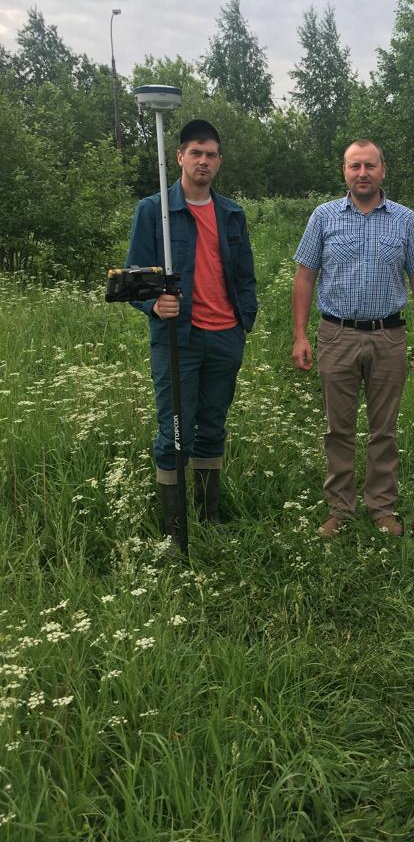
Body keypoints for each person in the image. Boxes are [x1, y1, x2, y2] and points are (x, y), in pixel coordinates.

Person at [291, 139, 414, 537]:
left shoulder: (405, 220)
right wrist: (300, 335)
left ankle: (381, 507)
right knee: (338, 428)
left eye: (369, 165)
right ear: (345, 171)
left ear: (383, 170)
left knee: (383, 429)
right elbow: (305, 276)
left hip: (388, 336)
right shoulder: (323, 217)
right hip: (336, 334)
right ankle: (340, 507)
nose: (362, 173)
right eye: (355, 166)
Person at [125, 119, 257, 538]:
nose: (203, 161)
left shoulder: (232, 214)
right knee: (175, 429)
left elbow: (245, 277)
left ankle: (209, 517)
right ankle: (174, 526)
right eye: (195, 153)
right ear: (180, 157)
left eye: (211, 154)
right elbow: (132, 277)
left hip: (224, 336)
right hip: (176, 339)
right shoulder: (153, 211)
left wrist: (243, 324)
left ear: (219, 161)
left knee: (213, 425)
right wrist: (152, 302)